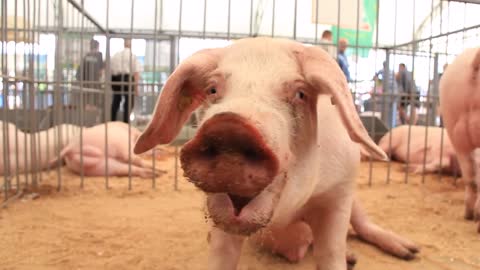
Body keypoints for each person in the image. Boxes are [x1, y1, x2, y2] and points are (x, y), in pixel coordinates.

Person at [110, 38, 142, 123]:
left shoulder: (116, 55)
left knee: (116, 102)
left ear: (124, 44)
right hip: (128, 80)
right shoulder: (132, 56)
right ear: (130, 44)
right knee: (128, 104)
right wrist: (136, 88)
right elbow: (136, 73)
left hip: (116, 80)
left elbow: (111, 70)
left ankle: (112, 122)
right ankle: (126, 123)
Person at [76, 39, 105, 121]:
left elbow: (80, 70)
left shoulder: (86, 56)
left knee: (87, 100)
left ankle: (86, 118)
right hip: (95, 81)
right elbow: (101, 70)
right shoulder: (99, 55)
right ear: (97, 46)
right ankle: (94, 118)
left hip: (85, 82)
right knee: (95, 101)